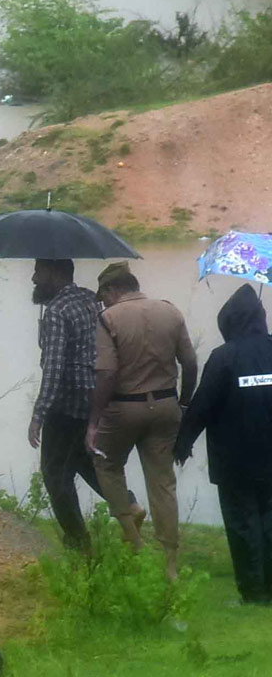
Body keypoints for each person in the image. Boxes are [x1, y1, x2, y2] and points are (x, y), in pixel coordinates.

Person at [87, 261, 197, 578]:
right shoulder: (170, 311)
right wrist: (185, 403)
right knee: (163, 484)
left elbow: (106, 374)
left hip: (124, 407)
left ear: (113, 290)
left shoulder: (108, 319)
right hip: (166, 406)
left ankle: (135, 542)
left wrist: (94, 422)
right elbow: (190, 363)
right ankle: (170, 563)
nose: (103, 302)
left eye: (103, 295)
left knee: (104, 462)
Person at [29, 259, 142, 550]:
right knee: (84, 462)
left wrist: (39, 414)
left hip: (66, 404)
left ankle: (78, 542)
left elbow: (54, 368)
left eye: (38, 272)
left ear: (55, 274)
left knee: (54, 474)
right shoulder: (91, 300)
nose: (32, 278)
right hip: (95, 399)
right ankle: (128, 504)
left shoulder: (57, 311)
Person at [174, 284, 272, 604]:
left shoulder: (223, 358)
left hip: (235, 462)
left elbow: (202, 407)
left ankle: (254, 592)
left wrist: (182, 444)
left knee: (243, 525)